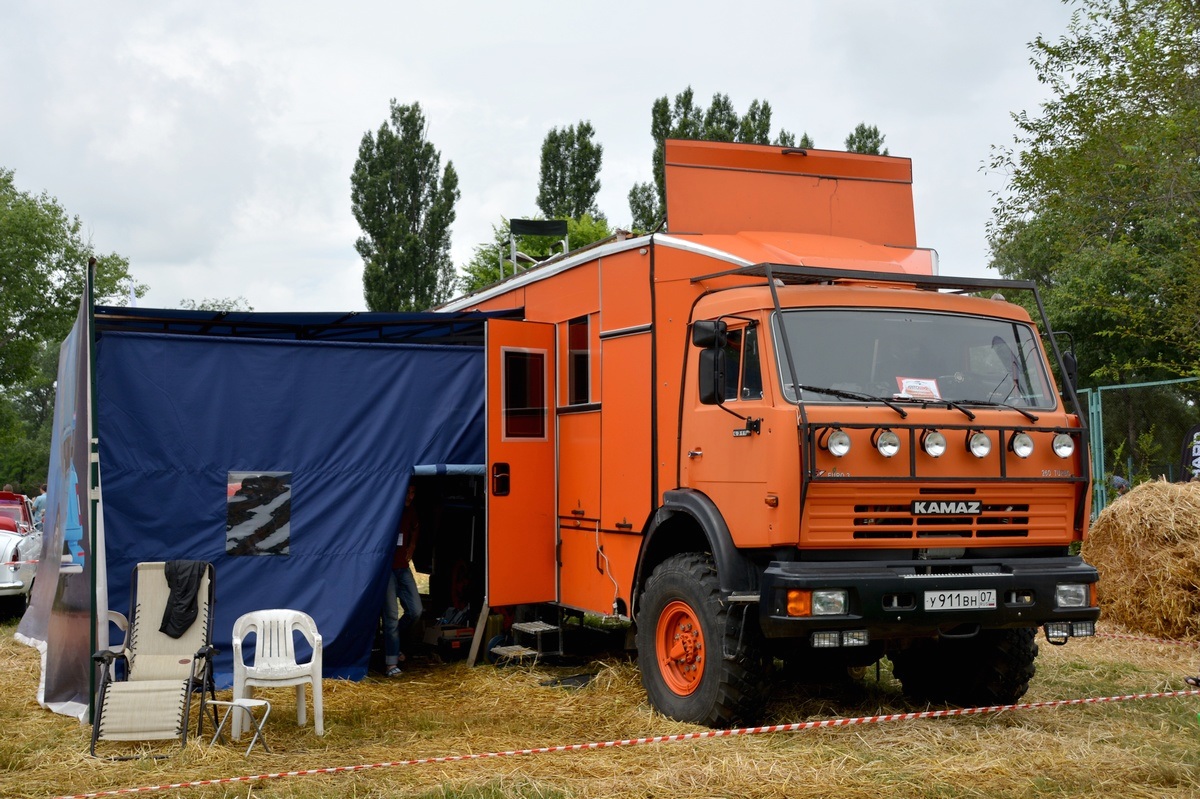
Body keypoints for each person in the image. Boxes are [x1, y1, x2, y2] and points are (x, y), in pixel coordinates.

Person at [382, 483, 422, 677]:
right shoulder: (389, 509)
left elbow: (416, 527)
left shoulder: (410, 511)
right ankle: (391, 663)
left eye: (413, 493)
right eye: (407, 492)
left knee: (416, 611)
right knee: (390, 615)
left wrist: (412, 545)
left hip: (402, 568)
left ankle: (393, 641)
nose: (410, 497)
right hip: (387, 569)